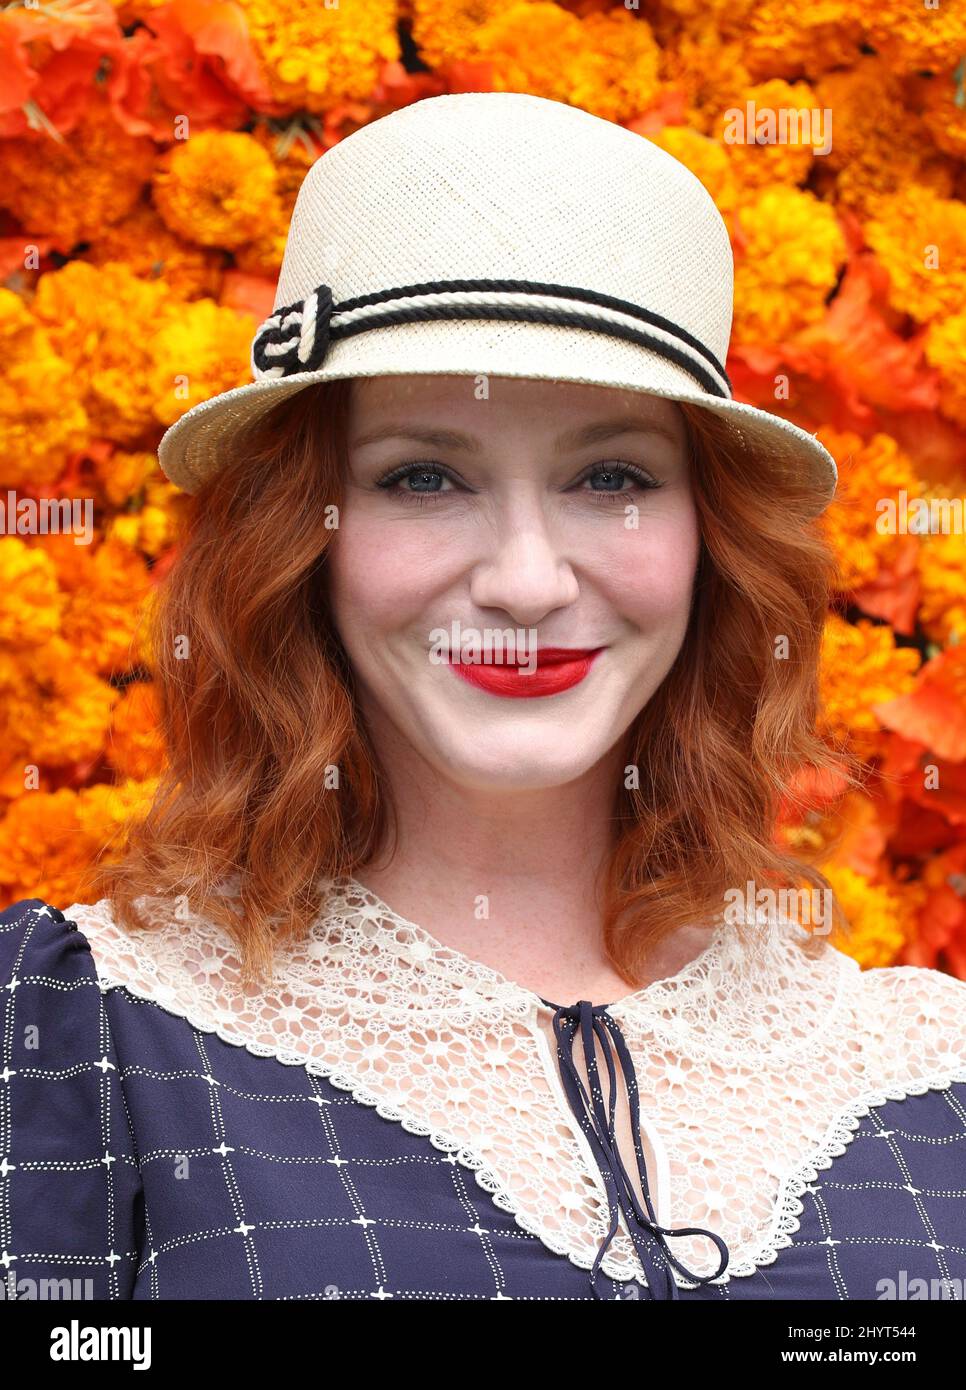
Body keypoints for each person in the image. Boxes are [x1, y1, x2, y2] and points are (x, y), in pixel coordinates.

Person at [3, 92, 965, 1304]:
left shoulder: (926, 1078)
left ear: (710, 537)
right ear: (303, 534)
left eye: (611, 476)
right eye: (423, 477)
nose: (525, 581)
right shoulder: (86, 1034)